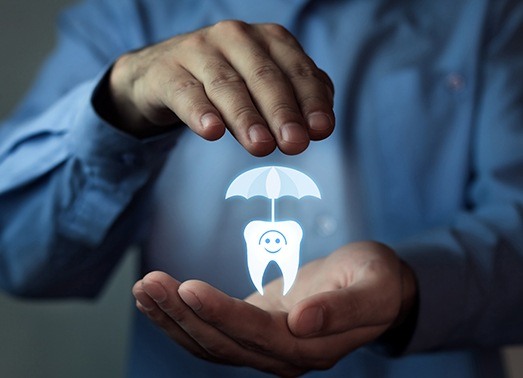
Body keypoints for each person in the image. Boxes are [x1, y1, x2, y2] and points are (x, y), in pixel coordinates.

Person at [1, 0, 522, 376]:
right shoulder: (126, 15)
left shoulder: (486, 15)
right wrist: (119, 107)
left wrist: (412, 284)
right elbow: (18, 257)